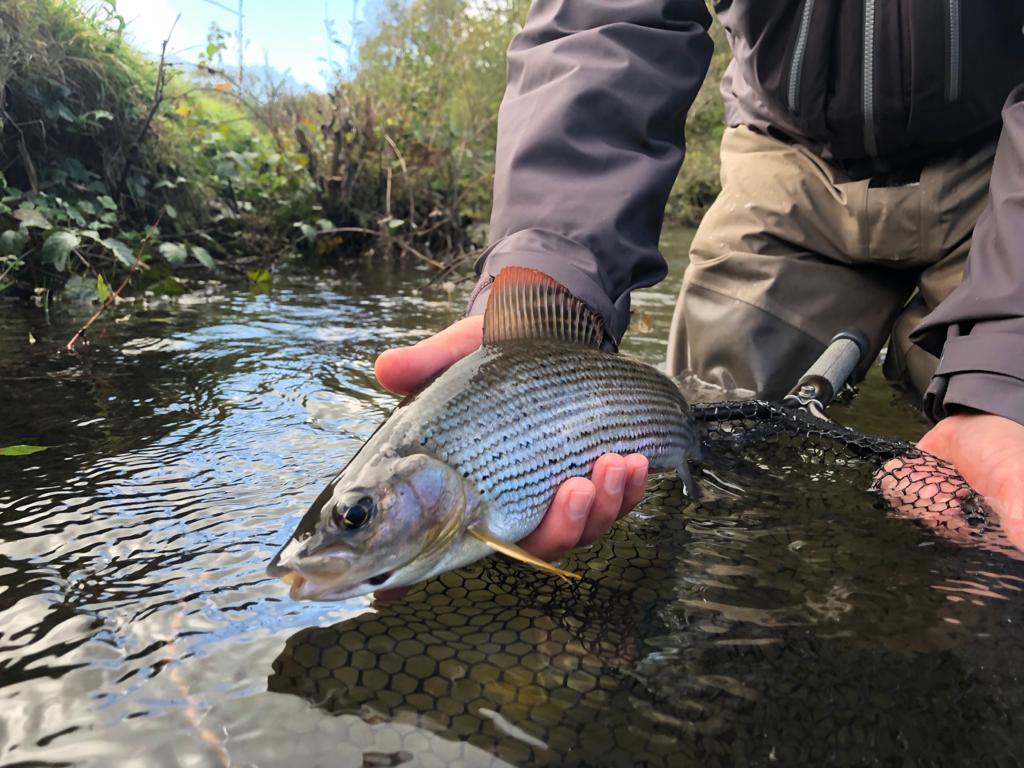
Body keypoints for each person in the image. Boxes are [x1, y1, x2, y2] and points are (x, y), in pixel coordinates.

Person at [376, 1, 1024, 559]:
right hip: (788, 154)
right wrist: (545, 286)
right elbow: (609, 22)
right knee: (718, 458)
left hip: (1005, 158)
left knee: (989, 471)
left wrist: (1008, 368)